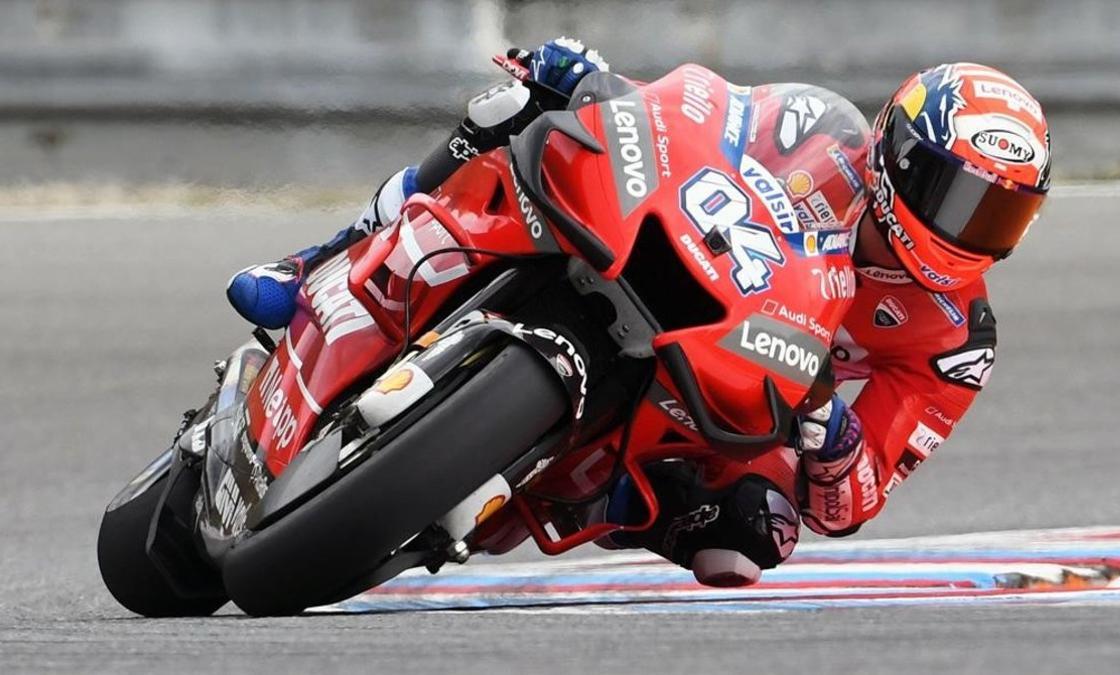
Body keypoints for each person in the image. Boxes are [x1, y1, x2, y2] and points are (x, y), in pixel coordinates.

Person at [227, 41, 1051, 586]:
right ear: (898, 156)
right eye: (961, 198)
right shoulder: (817, 128)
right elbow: (699, 111)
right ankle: (325, 258)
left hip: (739, 399)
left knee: (757, 536)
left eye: (997, 219)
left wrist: (829, 428)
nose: (967, 232)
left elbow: (852, 502)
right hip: (658, 251)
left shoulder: (953, 339)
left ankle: (581, 495)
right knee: (521, 102)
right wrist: (600, 85)